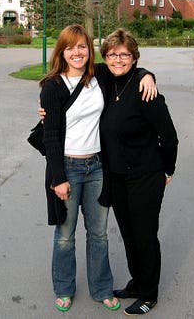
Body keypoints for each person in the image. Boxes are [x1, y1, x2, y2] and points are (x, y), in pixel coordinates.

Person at [38, 24, 156, 312]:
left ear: (89, 50)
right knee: (65, 234)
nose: (77, 52)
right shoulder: (52, 86)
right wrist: (58, 178)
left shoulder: (99, 75)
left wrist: (148, 75)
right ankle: (64, 288)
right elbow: (51, 136)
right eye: (70, 47)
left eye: (82, 46)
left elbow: (125, 66)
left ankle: (102, 288)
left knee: (99, 233)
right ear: (61, 52)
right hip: (66, 167)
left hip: (97, 168)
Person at [99, 28, 178, 316]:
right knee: (128, 234)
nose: (118, 59)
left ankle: (149, 293)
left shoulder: (147, 91)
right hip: (117, 176)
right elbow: (72, 69)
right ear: (105, 56)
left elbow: (169, 137)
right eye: (112, 54)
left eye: (124, 54)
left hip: (146, 175)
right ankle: (136, 282)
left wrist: (167, 169)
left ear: (134, 57)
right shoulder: (107, 81)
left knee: (145, 236)